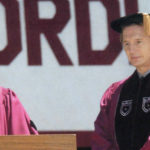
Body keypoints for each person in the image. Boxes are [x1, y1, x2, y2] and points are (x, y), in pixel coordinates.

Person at [92, 13, 150, 150]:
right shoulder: (116, 93)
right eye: (126, 43)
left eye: (138, 41)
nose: (131, 49)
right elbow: (102, 139)